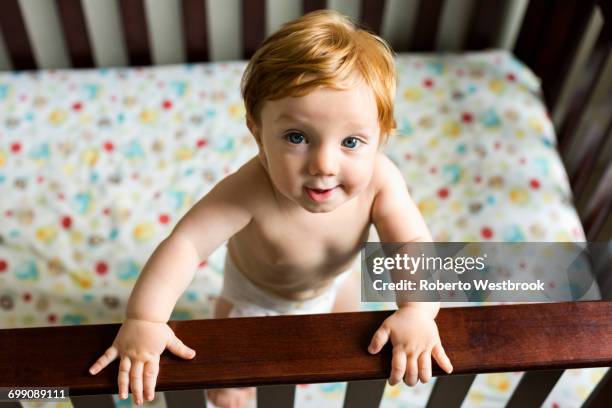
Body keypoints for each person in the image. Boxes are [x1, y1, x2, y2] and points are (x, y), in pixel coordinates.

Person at [88, 9, 453, 407]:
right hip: (253, 301)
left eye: (351, 142)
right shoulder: (250, 189)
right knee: (227, 383)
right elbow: (188, 244)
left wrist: (418, 310)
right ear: (258, 133)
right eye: (297, 137)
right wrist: (146, 318)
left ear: (381, 137)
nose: (325, 165)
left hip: (334, 287)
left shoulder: (382, 180)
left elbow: (412, 242)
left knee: (354, 346)